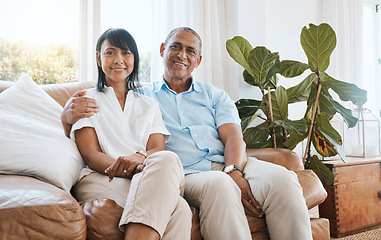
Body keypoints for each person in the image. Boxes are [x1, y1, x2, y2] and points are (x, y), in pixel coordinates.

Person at [62, 27, 313, 240]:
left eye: (190, 51)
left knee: (284, 179)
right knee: (218, 185)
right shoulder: (143, 96)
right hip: (187, 173)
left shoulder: (213, 95)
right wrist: (65, 116)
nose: (182, 55)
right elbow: (102, 132)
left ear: (198, 60)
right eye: (176, 47)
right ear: (163, 50)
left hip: (229, 164)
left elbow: (234, 137)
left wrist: (234, 169)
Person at [66, 28, 191, 240]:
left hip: (144, 174)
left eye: (126, 53)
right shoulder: (86, 99)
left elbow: (157, 148)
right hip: (101, 177)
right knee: (179, 208)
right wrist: (128, 169)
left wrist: (139, 160)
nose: (118, 60)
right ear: (98, 58)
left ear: (134, 59)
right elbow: (91, 154)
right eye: (110, 53)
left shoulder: (149, 105)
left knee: (168, 162)